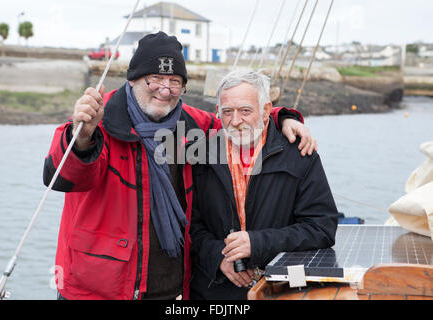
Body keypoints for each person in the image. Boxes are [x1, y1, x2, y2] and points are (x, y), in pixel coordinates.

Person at [43, 32, 316, 300]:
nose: (165, 89)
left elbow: (239, 120)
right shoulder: (97, 123)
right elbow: (61, 178)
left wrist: (283, 118)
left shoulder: (192, 124)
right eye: (156, 78)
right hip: (97, 291)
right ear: (134, 79)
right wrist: (80, 137)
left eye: (175, 81)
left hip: (171, 290)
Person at [189, 70, 338, 300]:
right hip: (215, 290)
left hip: (280, 289)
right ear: (217, 112)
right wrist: (218, 258)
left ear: (266, 110)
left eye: (245, 111)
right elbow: (191, 226)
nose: (236, 121)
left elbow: (322, 228)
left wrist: (257, 243)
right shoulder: (201, 156)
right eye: (227, 112)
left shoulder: (300, 154)